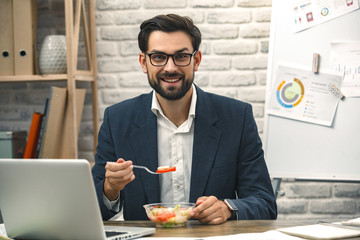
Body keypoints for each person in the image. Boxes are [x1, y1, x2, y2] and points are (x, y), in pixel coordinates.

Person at [92, 14, 277, 225]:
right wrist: (111, 188)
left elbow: (265, 203)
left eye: (181, 57)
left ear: (196, 60)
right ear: (144, 62)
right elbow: (91, 209)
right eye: (159, 57)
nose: (170, 68)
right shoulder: (117, 120)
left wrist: (228, 208)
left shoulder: (237, 118)